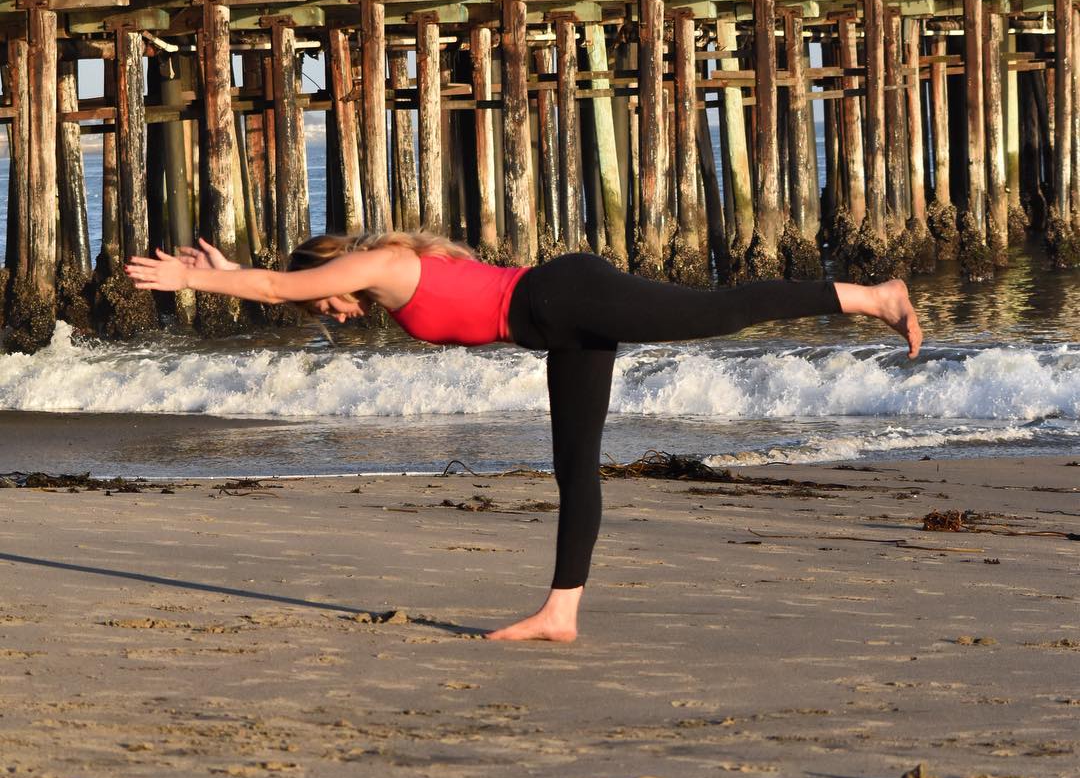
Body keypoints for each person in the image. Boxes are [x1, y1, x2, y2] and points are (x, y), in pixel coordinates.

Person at [125, 233, 923, 644]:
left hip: (565, 297)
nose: (335, 315)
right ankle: (559, 612)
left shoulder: (386, 264)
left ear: (336, 277)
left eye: (325, 304)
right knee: (574, 467)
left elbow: (276, 285)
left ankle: (873, 296)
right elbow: (278, 281)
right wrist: (229, 266)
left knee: (714, 313)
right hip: (558, 327)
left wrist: (196, 279)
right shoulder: (386, 269)